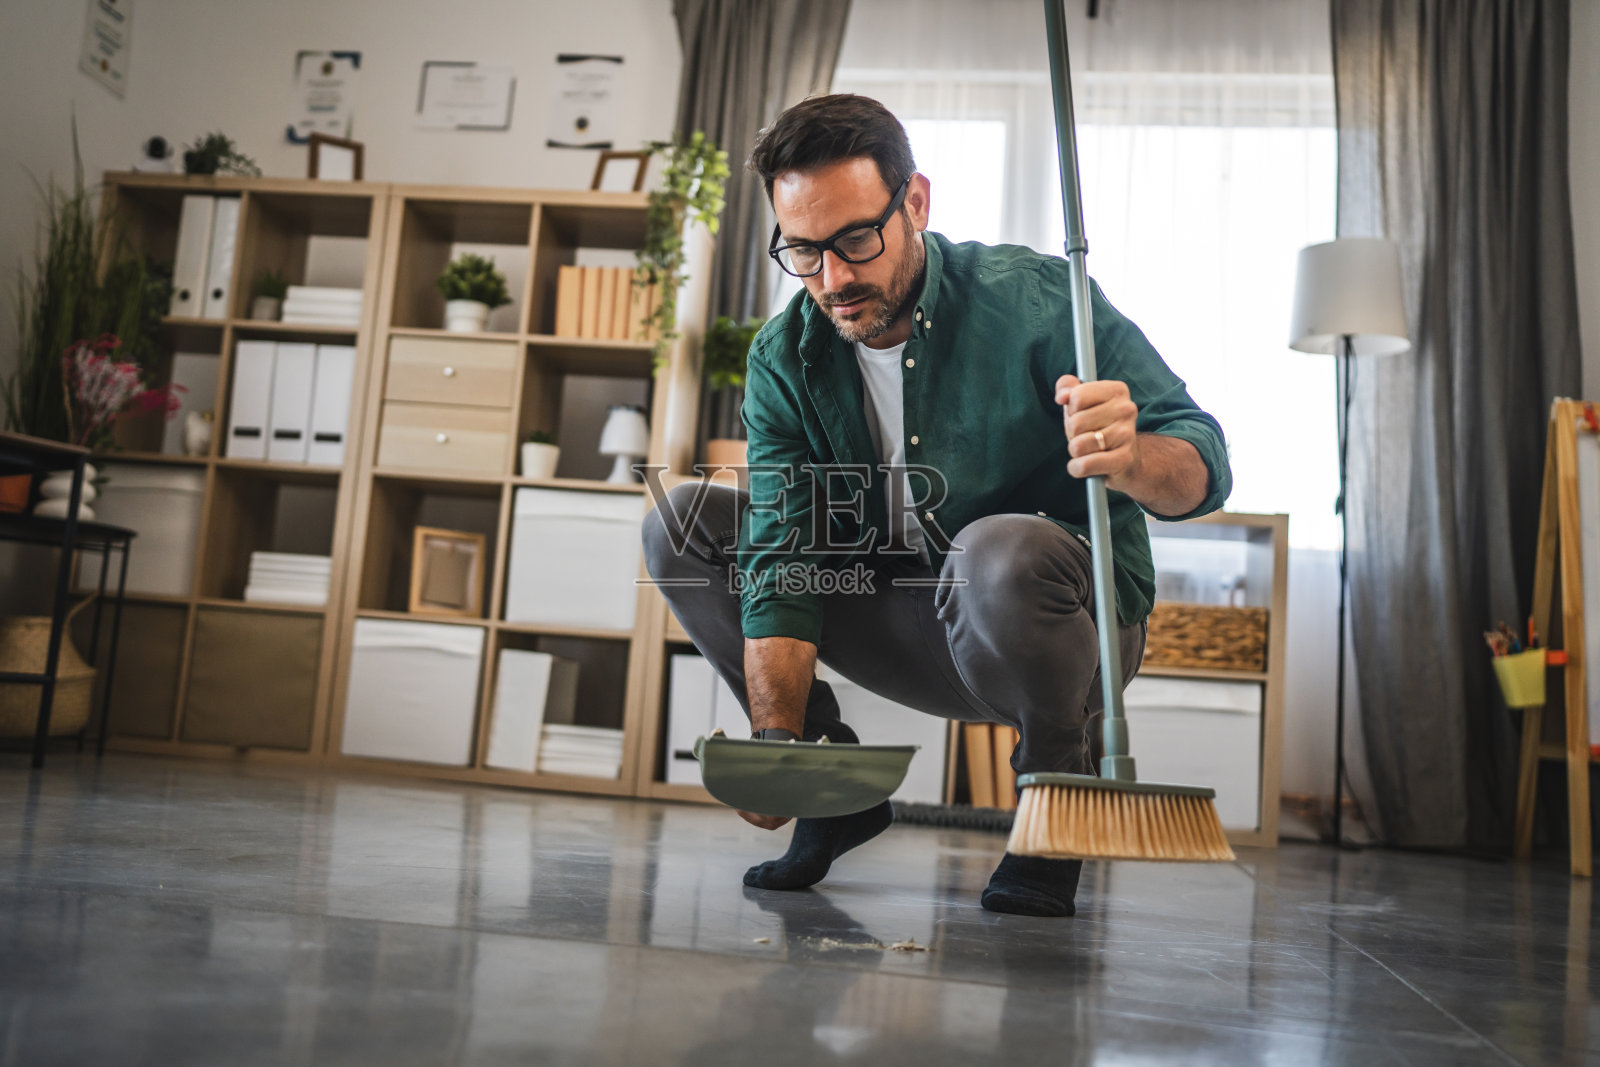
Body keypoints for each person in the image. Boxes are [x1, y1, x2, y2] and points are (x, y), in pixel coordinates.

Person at [641, 94, 1230, 917]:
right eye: (803, 251)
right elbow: (781, 551)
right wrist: (777, 745)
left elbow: (1206, 463)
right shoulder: (786, 355)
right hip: (910, 621)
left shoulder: (1037, 300)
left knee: (996, 550)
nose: (833, 279)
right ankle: (831, 788)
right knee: (683, 526)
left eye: (856, 240)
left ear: (915, 202)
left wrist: (1132, 458)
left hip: (1064, 633)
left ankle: (1053, 797)